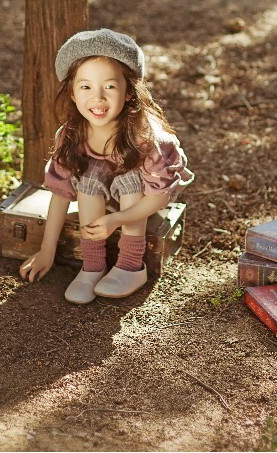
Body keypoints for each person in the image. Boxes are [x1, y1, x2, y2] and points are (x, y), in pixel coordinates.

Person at [18, 29, 194, 303]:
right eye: (86, 87)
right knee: (89, 178)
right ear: (73, 94)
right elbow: (61, 192)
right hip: (102, 197)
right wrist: (46, 250)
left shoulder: (147, 137)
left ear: (128, 94)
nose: (97, 99)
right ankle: (92, 266)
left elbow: (159, 196)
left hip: (144, 198)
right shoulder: (72, 135)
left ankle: (131, 266)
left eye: (110, 87)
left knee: (128, 180)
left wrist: (116, 220)